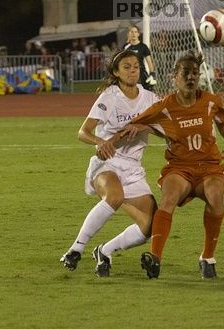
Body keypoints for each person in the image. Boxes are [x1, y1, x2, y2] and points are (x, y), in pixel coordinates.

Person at [128, 51, 224, 279]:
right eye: (185, 73)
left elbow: (222, 122)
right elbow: (136, 123)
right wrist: (105, 141)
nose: (191, 77)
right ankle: (155, 258)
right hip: (179, 167)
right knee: (167, 200)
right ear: (174, 77)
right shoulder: (164, 106)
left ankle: (207, 258)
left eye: (195, 73)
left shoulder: (210, 101)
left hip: (209, 167)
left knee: (216, 198)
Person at [60, 49, 160, 277]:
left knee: (151, 226)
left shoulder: (150, 99)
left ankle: (104, 251)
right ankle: (75, 250)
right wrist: (99, 141)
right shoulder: (110, 96)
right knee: (114, 197)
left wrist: (144, 126)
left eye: (136, 66)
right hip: (107, 164)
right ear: (116, 72)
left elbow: (166, 129)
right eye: (127, 66)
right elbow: (83, 132)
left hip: (133, 169)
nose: (133, 70)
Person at [123, 25, 157, 91]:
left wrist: (152, 74)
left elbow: (149, 62)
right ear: (128, 34)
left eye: (135, 32)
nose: (133, 34)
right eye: (131, 32)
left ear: (138, 34)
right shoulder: (125, 47)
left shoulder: (143, 47)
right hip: (129, 74)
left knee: (147, 94)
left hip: (141, 75)